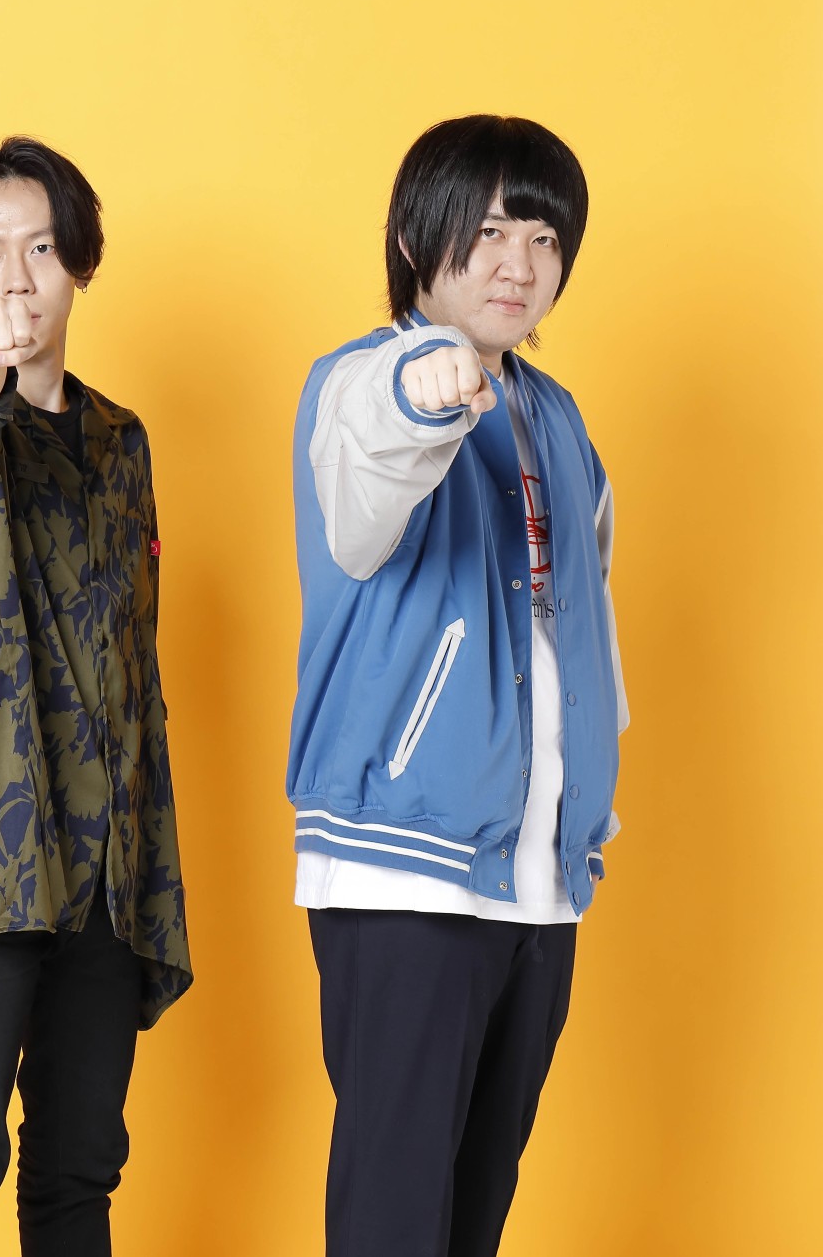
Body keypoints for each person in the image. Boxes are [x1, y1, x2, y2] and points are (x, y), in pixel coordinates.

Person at [286, 115, 628, 1257]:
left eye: (542, 236)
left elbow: (584, 624)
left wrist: (591, 802)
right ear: (414, 238)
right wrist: (423, 396)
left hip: (541, 883)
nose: (517, 263)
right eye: (486, 231)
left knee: (473, 1220)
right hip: (406, 868)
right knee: (393, 1222)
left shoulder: (558, 417)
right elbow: (364, 501)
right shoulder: (366, 378)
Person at [0, 136, 193, 1257]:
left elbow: (133, 660)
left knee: (78, 1172)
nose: (15, 280)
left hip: (107, 866)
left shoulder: (121, 441)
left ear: (81, 265)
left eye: (43, 250)